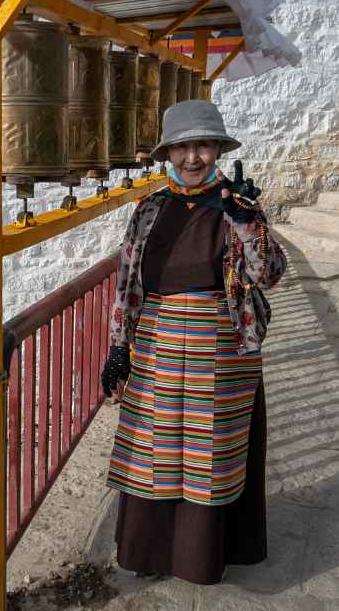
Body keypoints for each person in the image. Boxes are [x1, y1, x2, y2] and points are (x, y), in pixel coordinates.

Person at [101, 99, 287, 585]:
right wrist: (120, 345)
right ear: (169, 153)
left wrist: (248, 221)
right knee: (154, 449)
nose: (192, 157)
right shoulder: (149, 210)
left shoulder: (238, 206)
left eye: (203, 145)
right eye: (183, 146)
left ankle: (201, 557)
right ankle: (152, 553)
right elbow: (127, 283)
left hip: (220, 348)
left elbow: (268, 275)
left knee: (209, 453)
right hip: (158, 342)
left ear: (219, 149)